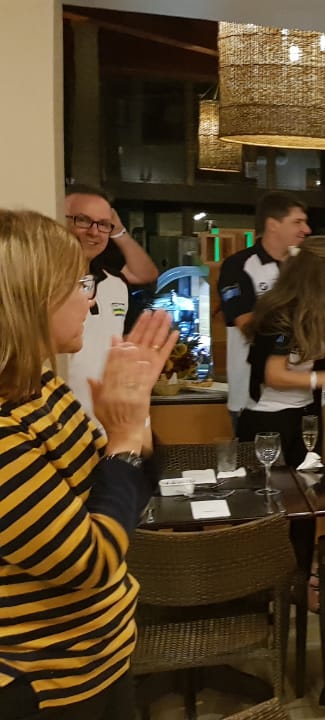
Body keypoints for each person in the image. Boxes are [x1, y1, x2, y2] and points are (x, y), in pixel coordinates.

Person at [0, 209, 175, 718]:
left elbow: (132, 488)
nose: (91, 299)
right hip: (46, 684)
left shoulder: (41, 388)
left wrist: (134, 416)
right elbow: (92, 561)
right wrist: (123, 438)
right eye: (77, 285)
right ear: (31, 298)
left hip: (98, 661)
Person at [240, 236, 325, 466]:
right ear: (321, 274)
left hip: (307, 414)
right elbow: (274, 375)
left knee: (310, 483)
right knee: (272, 486)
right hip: (270, 418)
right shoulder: (281, 313)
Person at [60, 184, 160, 421]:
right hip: (66, 423)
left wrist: (119, 231)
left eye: (104, 224)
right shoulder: (43, 283)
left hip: (116, 423)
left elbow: (147, 273)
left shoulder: (115, 282)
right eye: (83, 220)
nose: (94, 232)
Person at [219, 191, 310, 430]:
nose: (306, 229)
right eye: (297, 222)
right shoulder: (239, 266)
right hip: (256, 401)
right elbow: (248, 326)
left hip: (306, 397)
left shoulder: (305, 266)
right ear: (273, 225)